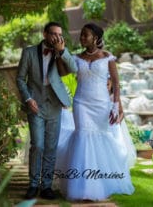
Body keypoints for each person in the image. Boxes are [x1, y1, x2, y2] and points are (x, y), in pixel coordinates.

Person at [55, 23, 134, 201]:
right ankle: (83, 187)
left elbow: (116, 83)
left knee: (100, 138)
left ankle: (102, 182)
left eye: (86, 35)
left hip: (101, 105)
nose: (82, 38)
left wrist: (115, 106)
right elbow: (61, 72)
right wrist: (60, 53)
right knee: (82, 136)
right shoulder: (76, 58)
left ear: (96, 38)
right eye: (81, 35)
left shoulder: (108, 58)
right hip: (81, 103)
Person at [16, 21, 77, 200]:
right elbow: (20, 79)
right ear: (45, 34)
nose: (57, 37)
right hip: (35, 105)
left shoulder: (61, 51)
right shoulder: (28, 53)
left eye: (60, 34)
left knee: (51, 147)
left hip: (55, 105)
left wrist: (62, 51)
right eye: (53, 34)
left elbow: (73, 68)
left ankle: (47, 186)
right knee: (38, 145)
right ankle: (33, 185)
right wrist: (28, 99)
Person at [107, 78, 137, 168]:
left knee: (116, 146)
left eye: (107, 85)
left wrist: (118, 122)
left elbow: (122, 113)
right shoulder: (99, 97)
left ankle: (116, 164)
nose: (106, 87)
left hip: (113, 125)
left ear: (112, 84)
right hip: (104, 125)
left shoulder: (114, 97)